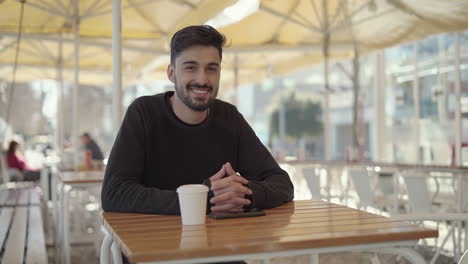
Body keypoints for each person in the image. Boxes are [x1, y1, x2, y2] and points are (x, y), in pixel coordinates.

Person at [101, 25, 294, 264]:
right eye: (190, 67)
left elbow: (282, 183)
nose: (202, 79)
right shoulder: (143, 114)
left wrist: (245, 195)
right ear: (172, 73)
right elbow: (114, 193)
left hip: (219, 253)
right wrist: (205, 198)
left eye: (211, 69)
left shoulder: (229, 118)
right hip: (155, 254)